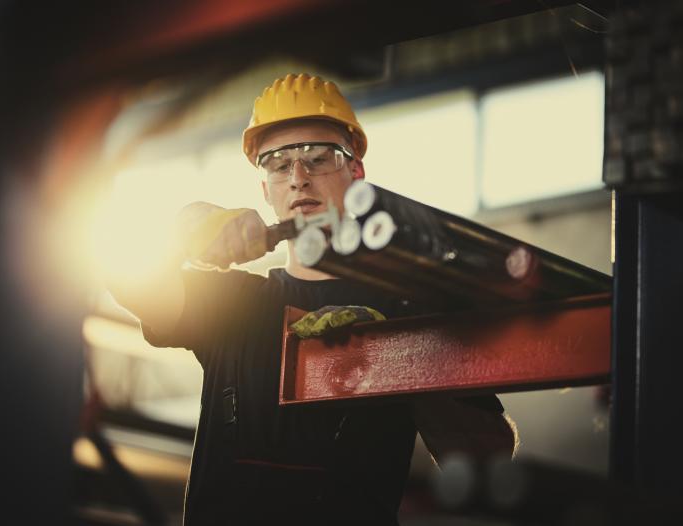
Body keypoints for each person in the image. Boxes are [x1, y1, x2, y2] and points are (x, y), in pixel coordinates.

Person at [109, 73, 516, 525]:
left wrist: (398, 361)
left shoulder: (407, 309)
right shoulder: (232, 304)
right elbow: (122, 275)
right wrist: (190, 227)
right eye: (279, 165)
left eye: (319, 159)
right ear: (265, 189)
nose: (299, 178)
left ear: (356, 173)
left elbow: (487, 455)